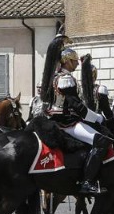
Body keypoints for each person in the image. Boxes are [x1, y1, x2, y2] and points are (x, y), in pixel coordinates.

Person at [41, 34, 108, 195]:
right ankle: (87, 182)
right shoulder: (66, 79)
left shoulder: (53, 77)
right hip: (67, 122)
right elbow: (76, 106)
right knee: (101, 142)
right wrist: (97, 117)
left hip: (54, 119)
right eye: (74, 60)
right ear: (66, 61)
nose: (77, 63)